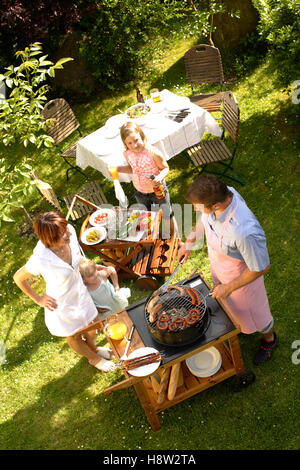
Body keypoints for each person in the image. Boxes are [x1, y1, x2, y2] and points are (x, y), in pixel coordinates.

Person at [178, 175, 278, 365]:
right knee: (232, 309)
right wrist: (190, 242)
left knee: (257, 314)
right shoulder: (222, 193)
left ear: (216, 205)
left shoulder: (244, 232)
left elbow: (262, 267)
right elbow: (205, 219)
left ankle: (269, 340)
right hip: (222, 268)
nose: (195, 208)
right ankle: (240, 326)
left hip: (242, 281)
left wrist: (229, 287)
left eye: (198, 205)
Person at [13, 212, 115, 372]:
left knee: (94, 326)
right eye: (63, 233)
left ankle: (93, 349)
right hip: (62, 305)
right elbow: (18, 278)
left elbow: (78, 259)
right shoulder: (41, 259)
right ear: (51, 239)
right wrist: (38, 299)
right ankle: (94, 358)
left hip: (81, 294)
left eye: (66, 228)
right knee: (74, 335)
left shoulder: (70, 233)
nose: (69, 233)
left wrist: (91, 268)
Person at [113, 121, 179, 238]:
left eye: (136, 140)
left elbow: (165, 168)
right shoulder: (127, 154)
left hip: (157, 191)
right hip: (140, 192)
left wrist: (159, 177)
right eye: (130, 143)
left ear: (142, 136)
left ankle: (177, 240)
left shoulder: (152, 153)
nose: (134, 145)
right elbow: (132, 169)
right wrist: (117, 168)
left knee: (167, 215)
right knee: (148, 217)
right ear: (125, 144)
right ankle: (155, 239)